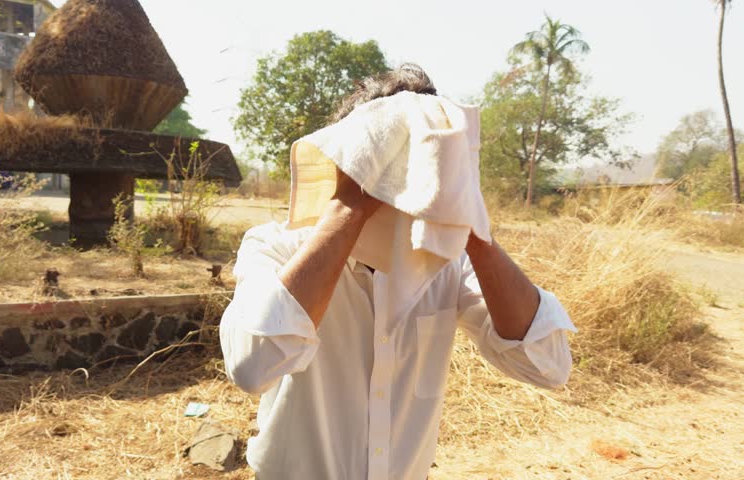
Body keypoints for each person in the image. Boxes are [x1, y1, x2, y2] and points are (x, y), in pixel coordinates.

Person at [219, 65, 576, 480]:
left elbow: (547, 365)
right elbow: (252, 366)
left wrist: (469, 223)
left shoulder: (446, 263)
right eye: (382, 158)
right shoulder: (275, 246)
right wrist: (349, 204)